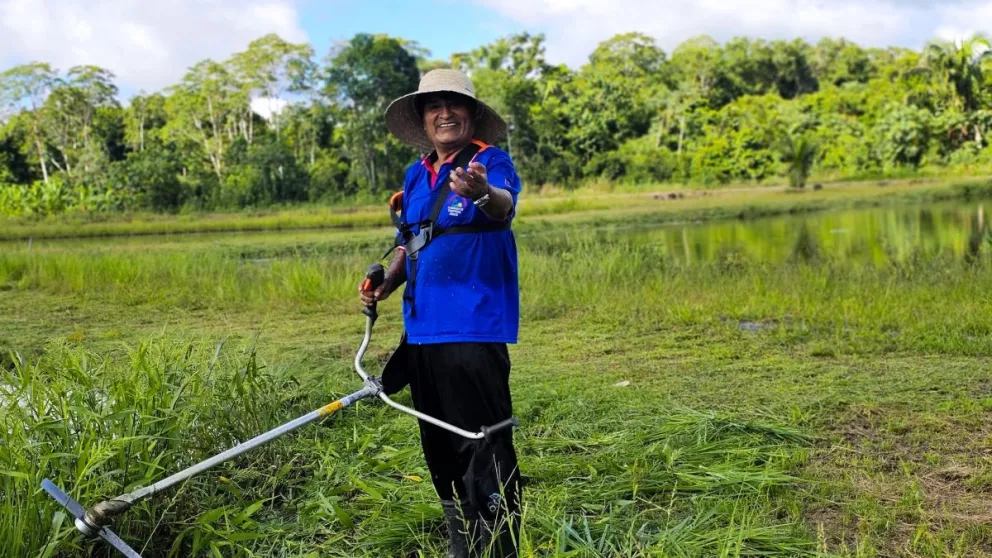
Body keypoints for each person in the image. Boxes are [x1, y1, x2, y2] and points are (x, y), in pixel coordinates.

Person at [359, 69, 523, 558]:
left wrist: (481, 193)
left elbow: (502, 206)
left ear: (470, 113)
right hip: (421, 332)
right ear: (424, 118)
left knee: (483, 443)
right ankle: (461, 544)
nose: (445, 113)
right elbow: (410, 242)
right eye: (434, 105)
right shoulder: (416, 175)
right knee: (438, 445)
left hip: (473, 327)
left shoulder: (490, 161)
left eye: (454, 104)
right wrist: (387, 283)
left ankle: (499, 547)